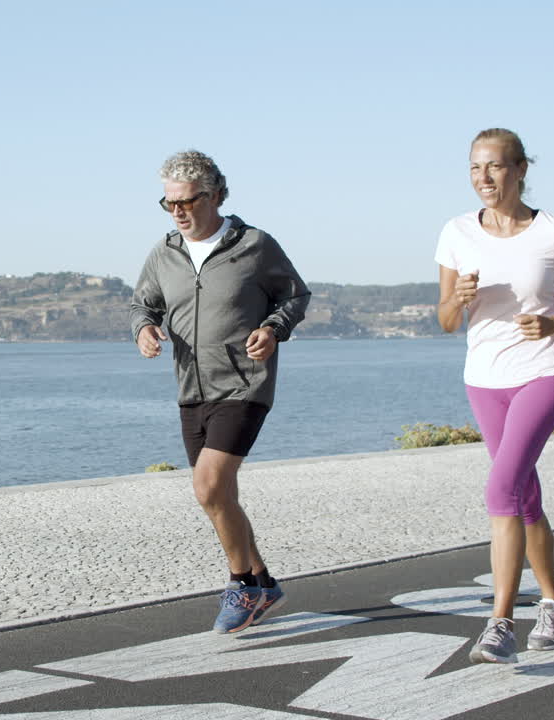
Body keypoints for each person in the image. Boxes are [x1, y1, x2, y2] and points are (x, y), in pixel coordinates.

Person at [435, 128, 554, 663]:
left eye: (493, 166)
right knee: (523, 496)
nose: (483, 177)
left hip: (544, 373)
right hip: (484, 380)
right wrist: (458, 299)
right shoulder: (456, 232)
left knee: (501, 489)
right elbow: (445, 320)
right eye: (474, 167)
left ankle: (500, 624)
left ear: (520, 169)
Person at [131, 149, 311, 634]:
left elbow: (295, 295)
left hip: (245, 383)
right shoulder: (164, 252)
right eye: (169, 203)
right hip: (191, 387)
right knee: (219, 496)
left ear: (215, 196)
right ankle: (264, 582)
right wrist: (143, 329)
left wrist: (273, 329)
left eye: (187, 202)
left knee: (209, 486)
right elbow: (142, 304)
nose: (177, 212)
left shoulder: (255, 245)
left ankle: (242, 584)